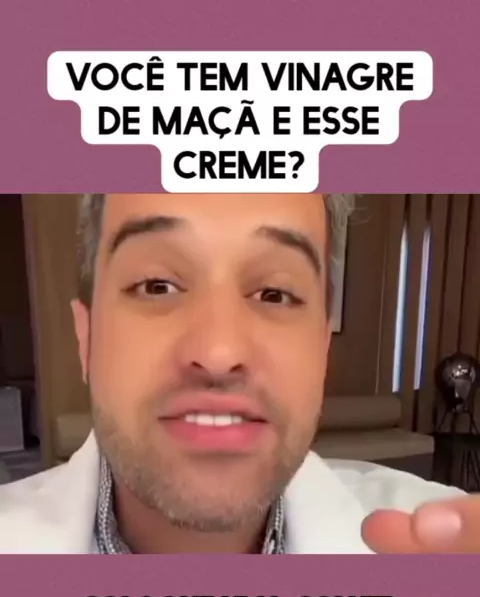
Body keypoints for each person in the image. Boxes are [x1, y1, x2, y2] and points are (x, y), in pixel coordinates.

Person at [0, 192, 477, 554]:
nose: (218, 352)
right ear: (86, 338)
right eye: (157, 285)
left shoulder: (435, 548)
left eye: (275, 293)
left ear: (321, 349)